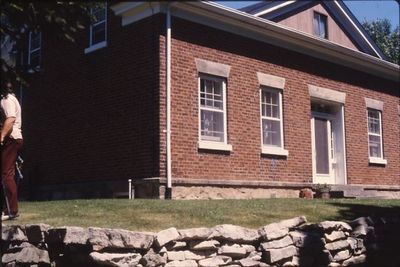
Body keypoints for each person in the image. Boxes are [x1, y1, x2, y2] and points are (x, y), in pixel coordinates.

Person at [1, 81, 23, 220]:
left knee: (6, 174)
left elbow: (10, 119)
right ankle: (5, 208)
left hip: (11, 138)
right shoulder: (9, 98)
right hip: (12, 138)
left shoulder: (6, 99)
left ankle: (12, 210)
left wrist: (2, 136)